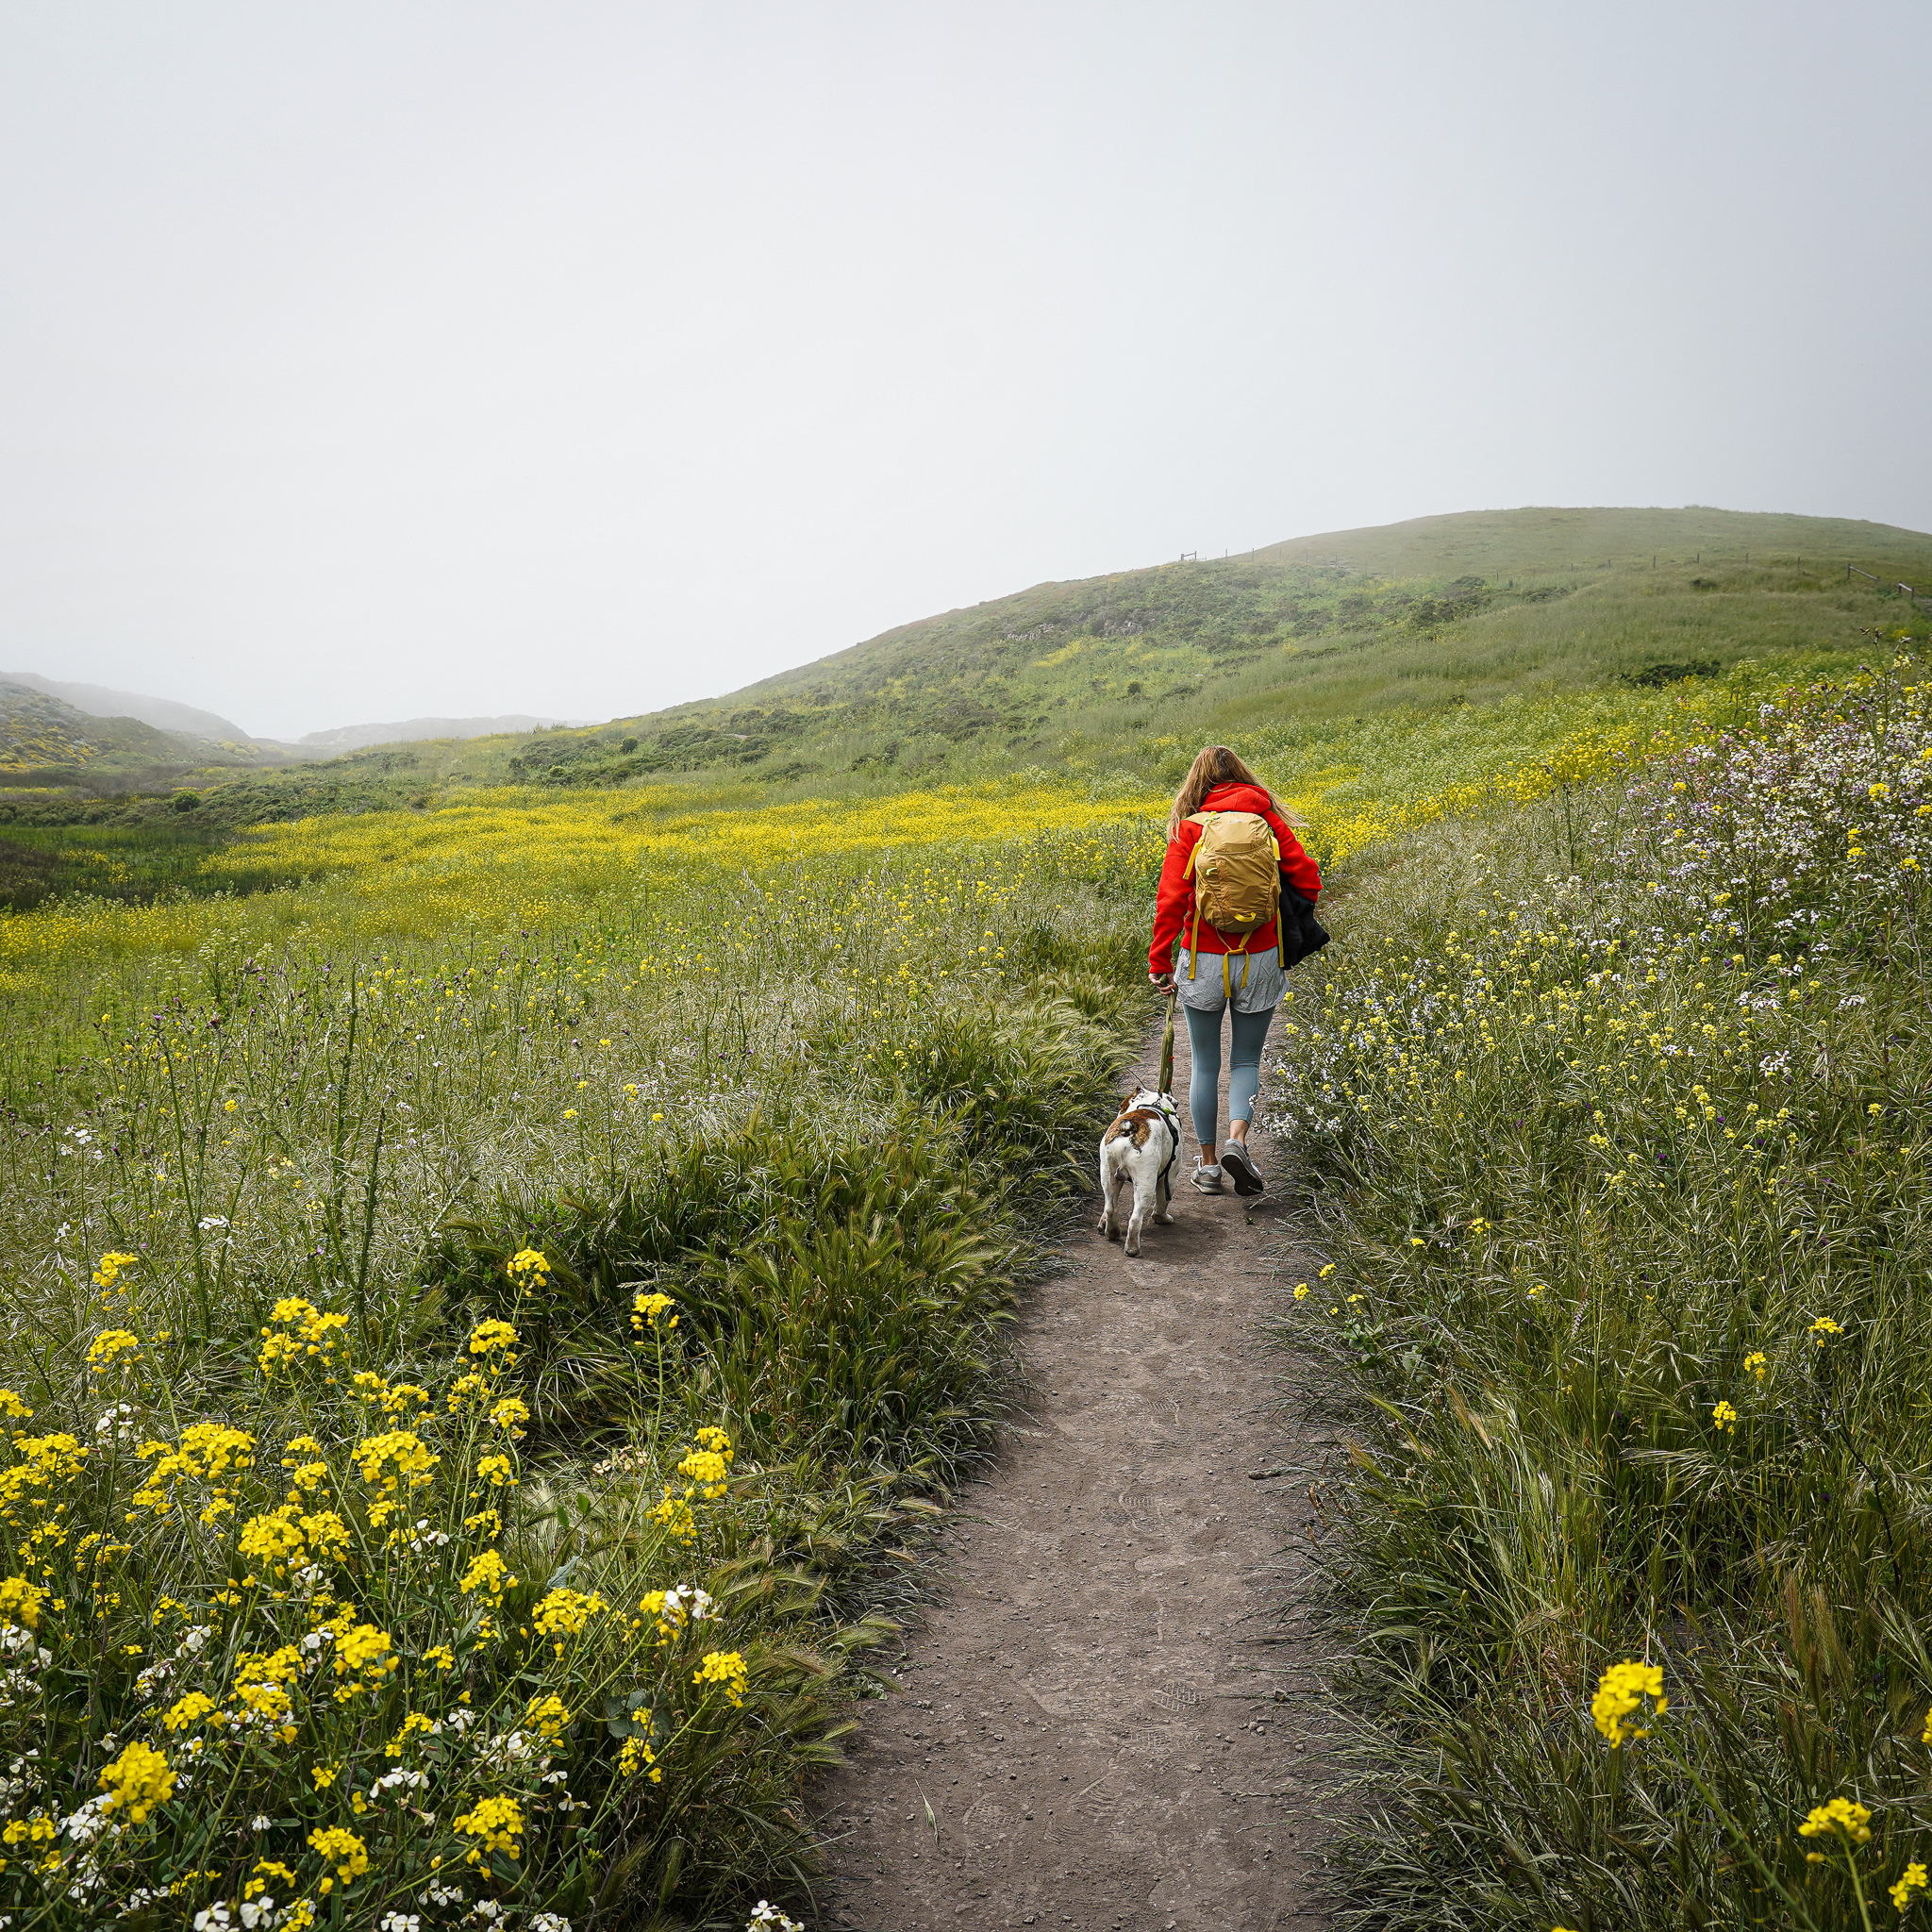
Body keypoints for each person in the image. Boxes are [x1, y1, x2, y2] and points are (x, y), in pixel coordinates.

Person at [1147, 745, 1322, 1195]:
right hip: (1260, 957)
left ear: (1197, 783)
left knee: (1205, 1063)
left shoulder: (1191, 828)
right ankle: (1237, 1139)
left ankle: (1207, 1168)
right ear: (1243, 777)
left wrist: (1160, 963)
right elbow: (1309, 880)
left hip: (1203, 957)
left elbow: (1170, 902)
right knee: (1246, 1059)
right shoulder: (1267, 820)